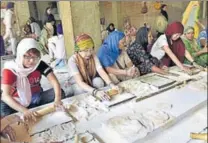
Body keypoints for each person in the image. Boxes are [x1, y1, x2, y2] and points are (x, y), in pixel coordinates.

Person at [1, 38, 65, 121]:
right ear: (20, 54)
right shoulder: (11, 69)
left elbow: (54, 82)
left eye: (35, 57)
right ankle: (30, 110)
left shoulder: (39, 65)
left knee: (59, 93)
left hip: (35, 97)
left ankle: (32, 109)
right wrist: (24, 110)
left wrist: (57, 99)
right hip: (16, 100)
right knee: (3, 110)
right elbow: (5, 96)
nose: (31, 61)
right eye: (27, 56)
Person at [68, 34, 120, 101]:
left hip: (89, 80)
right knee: (80, 89)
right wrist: (95, 92)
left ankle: (97, 98)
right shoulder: (72, 60)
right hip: (77, 83)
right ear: (78, 51)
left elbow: (101, 71)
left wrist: (111, 84)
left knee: (98, 81)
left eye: (91, 49)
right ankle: (85, 101)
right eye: (85, 50)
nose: (89, 53)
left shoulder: (93, 56)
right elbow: (80, 82)